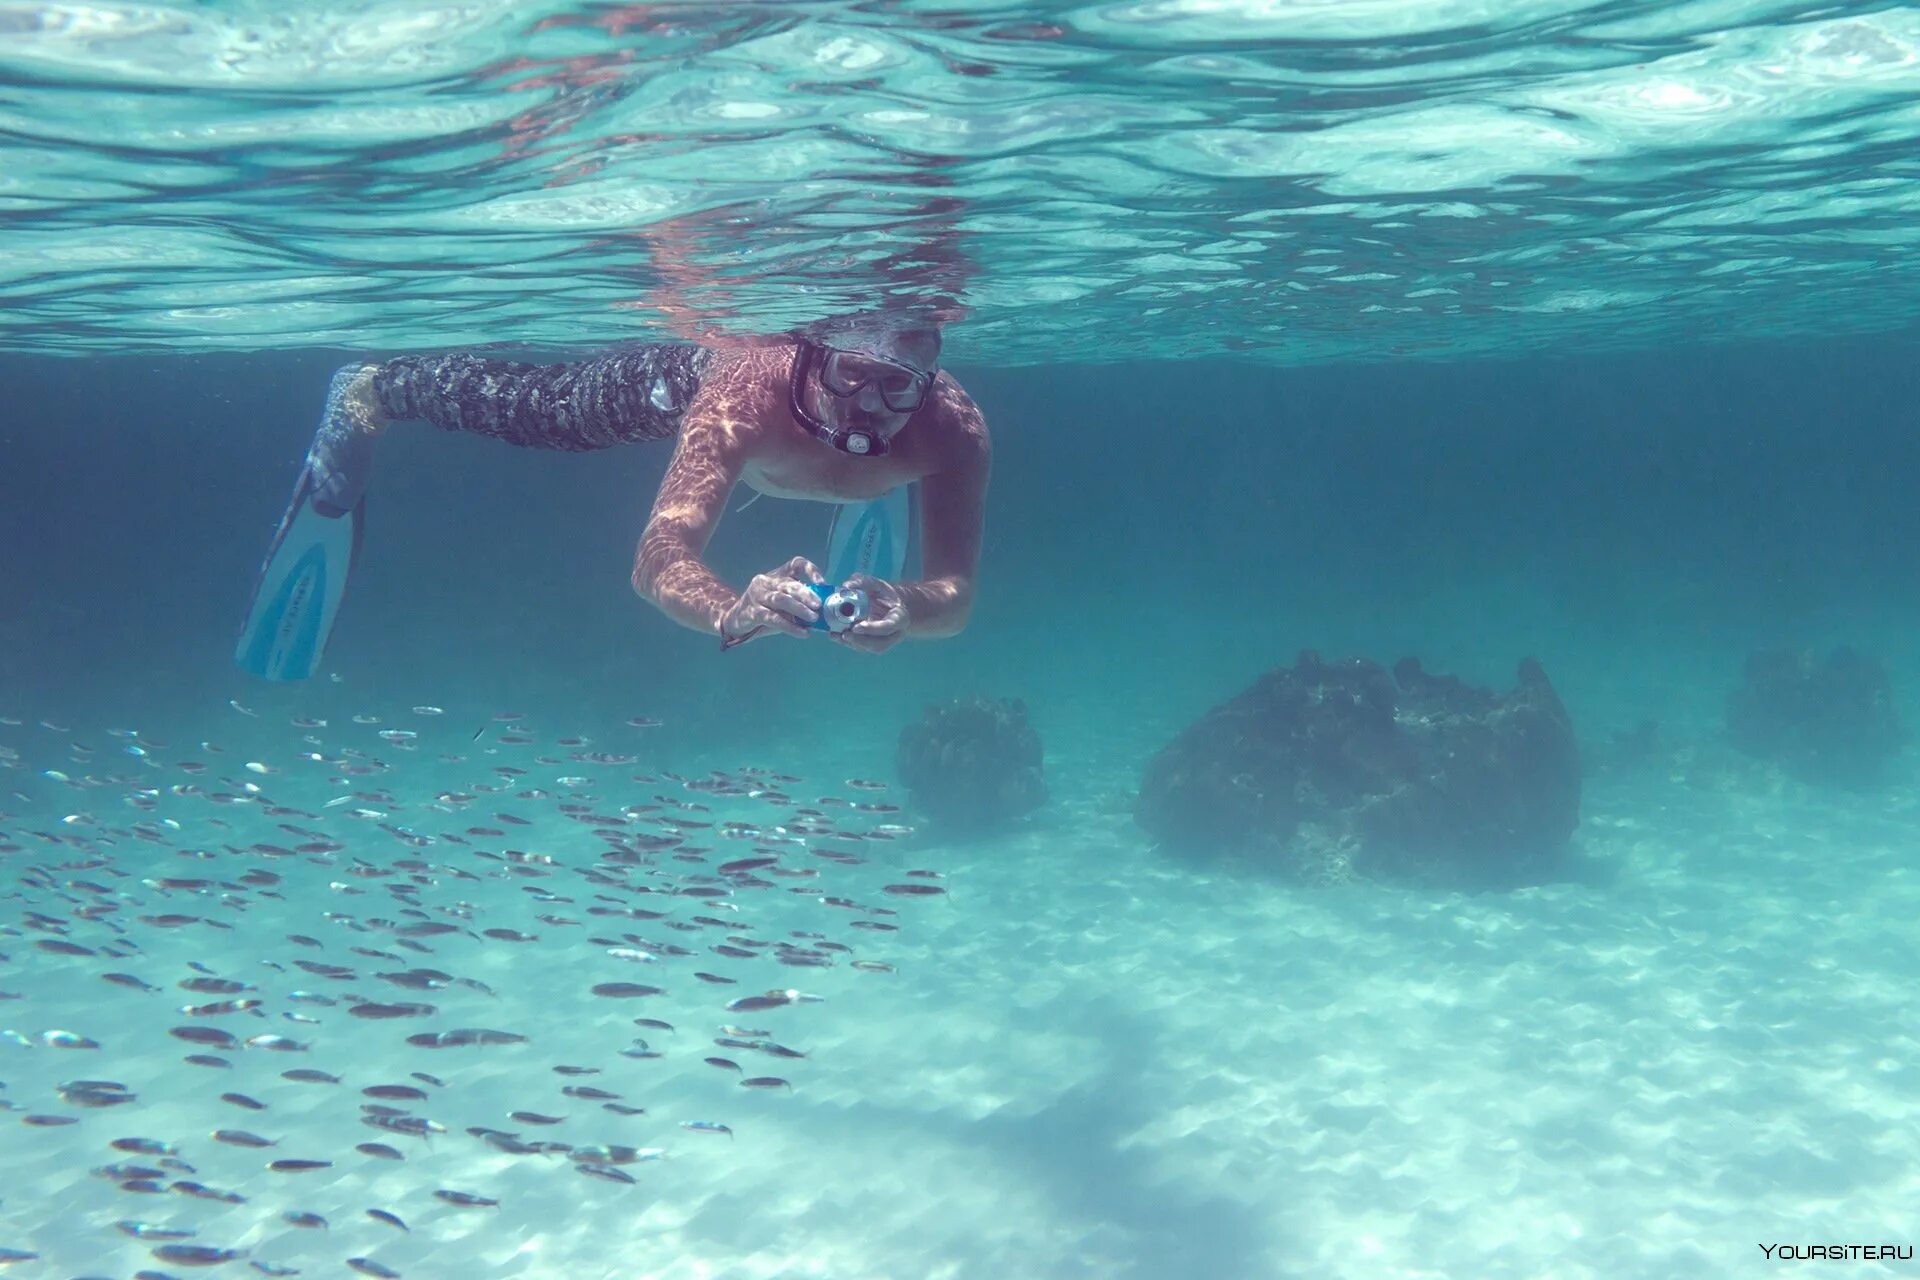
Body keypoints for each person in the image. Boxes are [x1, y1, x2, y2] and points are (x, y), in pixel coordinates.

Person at [234, 315, 990, 680]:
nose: (865, 405)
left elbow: (956, 602)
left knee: (879, 453)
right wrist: (733, 610)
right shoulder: (740, 395)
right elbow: (657, 557)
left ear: (927, 383)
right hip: (687, 382)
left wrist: (906, 603)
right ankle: (373, 388)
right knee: (547, 413)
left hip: (862, 465)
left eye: (896, 385)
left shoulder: (951, 429)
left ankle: (867, 492)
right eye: (847, 376)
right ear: (810, 356)